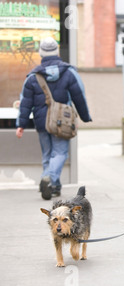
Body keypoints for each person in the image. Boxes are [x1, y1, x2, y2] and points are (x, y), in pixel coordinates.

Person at [16, 37, 92, 200]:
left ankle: (53, 187)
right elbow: (79, 96)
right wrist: (85, 117)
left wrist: (21, 124)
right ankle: (49, 178)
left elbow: (25, 102)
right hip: (62, 121)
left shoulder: (33, 77)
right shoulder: (68, 72)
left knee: (47, 154)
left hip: (41, 121)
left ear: (41, 53)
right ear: (56, 51)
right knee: (60, 153)